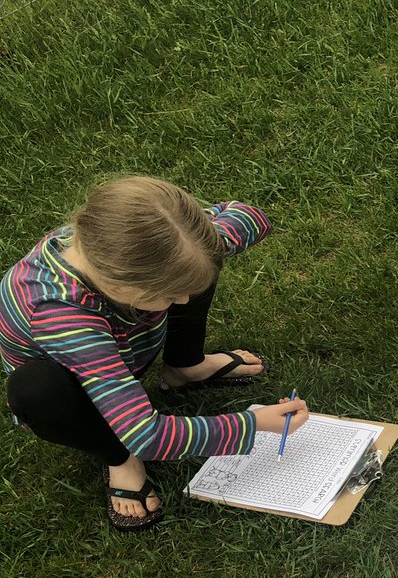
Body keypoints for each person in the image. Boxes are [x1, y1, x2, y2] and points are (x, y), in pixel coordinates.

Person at [1, 176, 308, 531]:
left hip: (125, 346)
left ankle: (185, 367)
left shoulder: (127, 241)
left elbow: (247, 215)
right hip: (72, 391)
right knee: (36, 389)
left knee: (194, 268)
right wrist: (253, 424)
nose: (181, 303)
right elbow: (147, 435)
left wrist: (214, 240)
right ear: (119, 285)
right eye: (169, 295)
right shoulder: (60, 313)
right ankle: (118, 457)